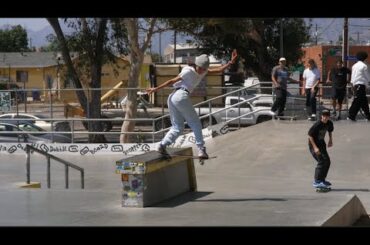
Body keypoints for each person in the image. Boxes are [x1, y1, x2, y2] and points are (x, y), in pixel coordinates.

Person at [146, 50, 238, 159]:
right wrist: (156, 89)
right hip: (179, 95)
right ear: (196, 65)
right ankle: (201, 149)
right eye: (200, 68)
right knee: (195, 123)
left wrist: (230, 63)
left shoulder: (203, 71)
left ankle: (162, 145)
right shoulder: (188, 71)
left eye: (204, 69)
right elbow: (172, 81)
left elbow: (218, 70)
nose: (201, 71)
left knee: (178, 127)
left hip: (174, 98)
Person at [308, 109, 334, 189]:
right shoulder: (317, 124)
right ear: (321, 116)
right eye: (323, 116)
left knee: (327, 161)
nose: (325, 118)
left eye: (327, 116)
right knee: (321, 161)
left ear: (329, 117)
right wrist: (315, 148)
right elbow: (310, 136)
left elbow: (330, 131)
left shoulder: (329, 123)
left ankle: (322, 180)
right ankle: (316, 181)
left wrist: (330, 140)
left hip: (322, 144)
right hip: (313, 145)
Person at [347, 51, 370, 121]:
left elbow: (352, 77)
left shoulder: (354, 66)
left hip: (356, 85)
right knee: (357, 101)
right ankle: (351, 115)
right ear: (364, 58)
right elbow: (367, 76)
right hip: (361, 85)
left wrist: (352, 85)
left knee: (364, 101)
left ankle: (368, 115)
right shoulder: (364, 66)